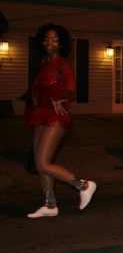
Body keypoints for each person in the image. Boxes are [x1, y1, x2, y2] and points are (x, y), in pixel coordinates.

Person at [26, 24, 97, 218]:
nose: (50, 42)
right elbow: (35, 89)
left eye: (55, 39)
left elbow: (71, 86)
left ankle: (84, 186)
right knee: (41, 162)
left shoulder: (61, 62)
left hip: (55, 115)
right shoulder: (44, 64)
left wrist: (56, 97)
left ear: (61, 43)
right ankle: (50, 205)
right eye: (47, 38)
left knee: (41, 163)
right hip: (41, 114)